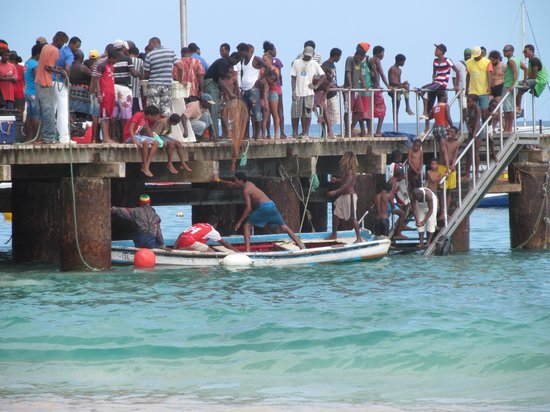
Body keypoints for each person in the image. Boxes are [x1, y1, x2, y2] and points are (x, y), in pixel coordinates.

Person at [213, 172, 305, 252]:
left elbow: (248, 208)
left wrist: (239, 222)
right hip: (271, 205)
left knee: (246, 226)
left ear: (241, 181)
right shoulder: (249, 183)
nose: (235, 182)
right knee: (284, 227)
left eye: (236, 180)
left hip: (264, 207)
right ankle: (301, 246)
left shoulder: (246, 190)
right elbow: (233, 184)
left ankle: (248, 252)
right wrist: (219, 180)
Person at [35, 32, 69, 144]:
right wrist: (61, 72)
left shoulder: (46, 46)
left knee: (45, 110)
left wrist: (55, 68)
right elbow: (48, 67)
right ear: (59, 40)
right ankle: (48, 137)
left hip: (38, 81)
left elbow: (46, 64)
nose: (62, 45)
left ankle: (44, 136)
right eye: (63, 42)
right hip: (45, 83)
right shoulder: (54, 50)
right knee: (49, 111)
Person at [418, 44, 460, 133]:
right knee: (424, 93)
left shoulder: (447, 60)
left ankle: (425, 112)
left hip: (442, 84)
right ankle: (426, 125)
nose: (435, 51)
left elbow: (457, 71)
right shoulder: (435, 61)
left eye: (437, 50)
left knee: (425, 91)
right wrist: (432, 82)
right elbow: (434, 73)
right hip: (436, 83)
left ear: (442, 51)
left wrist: (456, 85)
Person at [290, 46, 325, 138]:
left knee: (307, 113)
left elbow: (323, 76)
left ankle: (305, 132)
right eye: (306, 55)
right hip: (297, 92)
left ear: (313, 55)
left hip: (309, 92)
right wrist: (293, 90)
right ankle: (294, 132)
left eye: (309, 56)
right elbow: (293, 78)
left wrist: (316, 86)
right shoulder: (296, 63)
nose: (307, 57)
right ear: (303, 53)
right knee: (295, 113)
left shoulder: (314, 64)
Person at [327, 151, 362, 243]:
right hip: (343, 197)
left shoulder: (350, 171)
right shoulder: (347, 171)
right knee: (335, 213)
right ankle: (334, 234)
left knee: (352, 218)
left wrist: (335, 192)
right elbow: (344, 180)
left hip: (349, 197)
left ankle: (359, 238)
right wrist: (337, 180)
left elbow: (347, 185)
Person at [204, 51, 241, 138]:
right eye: (236, 61)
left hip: (213, 84)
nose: (236, 64)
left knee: (215, 111)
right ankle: (215, 135)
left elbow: (220, 81)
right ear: (233, 58)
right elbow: (221, 81)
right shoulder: (224, 62)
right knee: (213, 111)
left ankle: (214, 135)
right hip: (210, 84)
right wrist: (230, 93)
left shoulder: (225, 63)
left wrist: (225, 92)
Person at [52, 36, 81, 143]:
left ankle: (51, 136)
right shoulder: (69, 54)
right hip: (60, 83)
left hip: (52, 81)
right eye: (77, 46)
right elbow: (68, 67)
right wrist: (67, 80)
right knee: (63, 111)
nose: (77, 49)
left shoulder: (61, 50)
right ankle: (64, 137)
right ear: (71, 44)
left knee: (53, 109)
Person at [123, 105, 161, 177]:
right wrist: (134, 141)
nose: (156, 118)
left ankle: (147, 164)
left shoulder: (146, 118)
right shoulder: (138, 115)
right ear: (150, 115)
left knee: (156, 142)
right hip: (129, 136)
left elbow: (147, 128)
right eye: (155, 116)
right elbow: (131, 129)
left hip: (138, 136)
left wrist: (153, 138)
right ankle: (144, 166)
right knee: (145, 142)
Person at [143, 37, 177, 117]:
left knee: (153, 110)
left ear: (154, 43)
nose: (149, 46)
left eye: (149, 44)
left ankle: (155, 128)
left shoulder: (149, 55)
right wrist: (181, 78)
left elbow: (146, 74)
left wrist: (144, 77)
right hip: (167, 85)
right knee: (166, 110)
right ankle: (165, 128)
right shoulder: (170, 51)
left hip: (154, 85)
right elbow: (180, 66)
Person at [174, 215, 240, 252]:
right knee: (211, 251)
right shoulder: (212, 230)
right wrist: (238, 252)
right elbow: (225, 244)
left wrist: (174, 250)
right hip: (189, 241)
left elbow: (181, 235)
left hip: (181, 241)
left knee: (199, 247)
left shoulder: (198, 224)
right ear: (216, 224)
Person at [343, 47, 369, 137]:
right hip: (348, 89)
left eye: (361, 58)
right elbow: (348, 72)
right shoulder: (350, 59)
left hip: (356, 90)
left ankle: (351, 128)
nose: (359, 59)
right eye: (359, 57)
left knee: (360, 111)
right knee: (347, 110)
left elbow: (360, 75)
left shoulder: (360, 63)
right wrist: (350, 85)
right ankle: (347, 131)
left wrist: (365, 85)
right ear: (356, 54)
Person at [94, 48, 118, 143]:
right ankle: (105, 138)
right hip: (105, 93)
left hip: (111, 93)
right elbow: (96, 79)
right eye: (115, 59)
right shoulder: (102, 65)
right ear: (111, 58)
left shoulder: (112, 66)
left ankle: (107, 137)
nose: (116, 61)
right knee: (104, 116)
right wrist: (99, 94)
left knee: (109, 116)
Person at [516, 44, 548, 111]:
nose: (524, 53)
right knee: (518, 86)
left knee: (518, 85)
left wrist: (525, 81)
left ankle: (517, 108)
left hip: (538, 81)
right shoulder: (530, 60)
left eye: (525, 51)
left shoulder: (534, 60)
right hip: (535, 79)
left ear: (531, 51)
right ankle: (517, 108)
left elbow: (534, 75)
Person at [438, 126, 460, 217]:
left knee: (449, 191)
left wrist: (453, 164)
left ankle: (445, 211)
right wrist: (447, 168)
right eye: (448, 131)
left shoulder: (457, 143)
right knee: (442, 190)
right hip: (443, 167)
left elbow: (455, 155)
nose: (449, 133)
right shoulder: (443, 141)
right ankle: (442, 212)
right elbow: (445, 154)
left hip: (451, 168)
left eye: (452, 132)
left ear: (455, 133)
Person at [388, 54, 414, 131]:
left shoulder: (399, 70)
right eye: (403, 61)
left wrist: (403, 83)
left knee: (407, 86)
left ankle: (407, 107)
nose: (404, 63)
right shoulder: (392, 69)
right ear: (400, 61)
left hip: (398, 88)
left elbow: (398, 82)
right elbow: (392, 82)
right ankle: (396, 127)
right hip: (392, 88)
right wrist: (402, 85)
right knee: (395, 109)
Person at [466, 46, 492, 118]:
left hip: (483, 91)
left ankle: (485, 128)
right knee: (472, 113)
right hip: (473, 91)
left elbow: (489, 75)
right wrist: (467, 88)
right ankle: (475, 128)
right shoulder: (468, 62)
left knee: (484, 112)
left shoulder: (487, 62)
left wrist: (489, 87)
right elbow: (468, 76)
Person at [369, 45, 390, 136]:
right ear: (378, 53)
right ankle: (378, 131)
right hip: (376, 88)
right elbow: (381, 73)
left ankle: (370, 130)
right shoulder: (376, 60)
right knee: (382, 109)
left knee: (371, 109)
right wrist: (388, 85)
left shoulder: (370, 60)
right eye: (382, 53)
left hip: (372, 87)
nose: (383, 55)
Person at [23, 43, 43, 139]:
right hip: (34, 92)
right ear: (38, 54)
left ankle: (28, 138)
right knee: (36, 116)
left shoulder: (27, 62)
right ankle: (37, 138)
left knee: (29, 116)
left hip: (27, 92)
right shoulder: (34, 64)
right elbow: (37, 77)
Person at [322, 47, 342, 137]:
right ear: (335, 56)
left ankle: (328, 132)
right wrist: (331, 85)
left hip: (333, 91)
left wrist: (337, 86)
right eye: (339, 57)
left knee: (332, 114)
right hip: (328, 93)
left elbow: (333, 79)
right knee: (329, 113)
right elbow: (325, 78)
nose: (339, 59)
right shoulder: (326, 64)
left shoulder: (333, 65)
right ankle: (326, 132)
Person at [501, 45, 520, 132]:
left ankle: (508, 129)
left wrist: (512, 85)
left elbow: (515, 72)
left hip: (509, 86)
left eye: (506, 50)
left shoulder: (511, 61)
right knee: (510, 108)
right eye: (504, 50)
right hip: (513, 86)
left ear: (511, 51)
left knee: (508, 109)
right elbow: (525, 69)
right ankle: (508, 128)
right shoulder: (516, 60)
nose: (504, 52)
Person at [464, 94, 483, 180]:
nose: (468, 103)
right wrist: (468, 127)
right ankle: (467, 174)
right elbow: (466, 119)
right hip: (471, 131)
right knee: (469, 152)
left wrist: (475, 133)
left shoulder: (477, 108)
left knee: (475, 152)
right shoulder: (468, 108)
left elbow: (478, 122)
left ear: (474, 102)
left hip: (478, 131)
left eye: (469, 102)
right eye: (467, 102)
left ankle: (476, 173)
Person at [387, 168, 409, 240]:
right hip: (388, 203)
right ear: (400, 176)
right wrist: (393, 206)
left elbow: (390, 191)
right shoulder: (395, 182)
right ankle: (398, 234)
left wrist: (396, 190)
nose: (404, 178)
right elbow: (390, 194)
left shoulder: (391, 179)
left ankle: (399, 229)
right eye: (403, 176)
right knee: (402, 214)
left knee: (401, 211)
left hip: (387, 201)